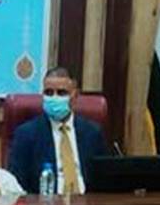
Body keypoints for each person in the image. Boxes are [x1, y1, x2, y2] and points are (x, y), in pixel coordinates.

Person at [6, 66, 108, 195]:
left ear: (75, 95)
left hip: (87, 203)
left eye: (61, 93)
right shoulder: (26, 134)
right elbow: (17, 185)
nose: (54, 98)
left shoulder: (92, 133)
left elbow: (103, 179)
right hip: (46, 204)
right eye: (49, 93)